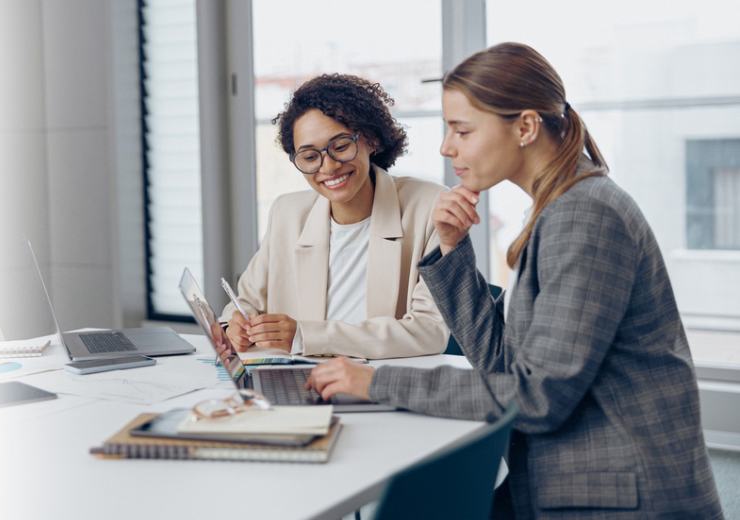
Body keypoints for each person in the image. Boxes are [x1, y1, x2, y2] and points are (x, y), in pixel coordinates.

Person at [305, 43, 724, 518]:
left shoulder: (583, 215)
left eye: (462, 130)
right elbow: (501, 363)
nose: (447, 146)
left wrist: (377, 382)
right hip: (572, 482)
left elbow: (539, 396)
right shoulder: (556, 207)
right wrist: (452, 249)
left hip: (621, 497)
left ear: (525, 127)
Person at [210, 73, 449, 360]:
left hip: (378, 378)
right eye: (310, 157)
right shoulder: (287, 213)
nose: (329, 167)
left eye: (341, 146)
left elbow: (430, 330)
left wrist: (306, 335)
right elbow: (245, 302)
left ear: (371, 139)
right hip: (299, 374)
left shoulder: (429, 206)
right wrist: (235, 325)